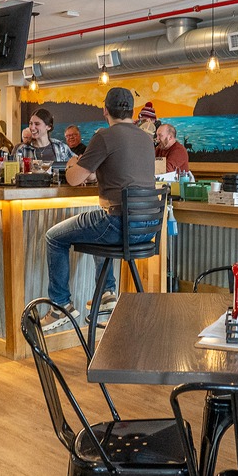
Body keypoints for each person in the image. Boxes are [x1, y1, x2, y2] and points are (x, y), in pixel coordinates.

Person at [41, 88, 157, 331]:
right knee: (97, 222)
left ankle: (60, 306)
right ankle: (106, 292)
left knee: (54, 237)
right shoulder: (146, 139)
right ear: (132, 112)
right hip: (147, 230)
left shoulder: (104, 136)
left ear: (105, 110)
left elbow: (73, 179)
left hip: (117, 225)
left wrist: (73, 163)